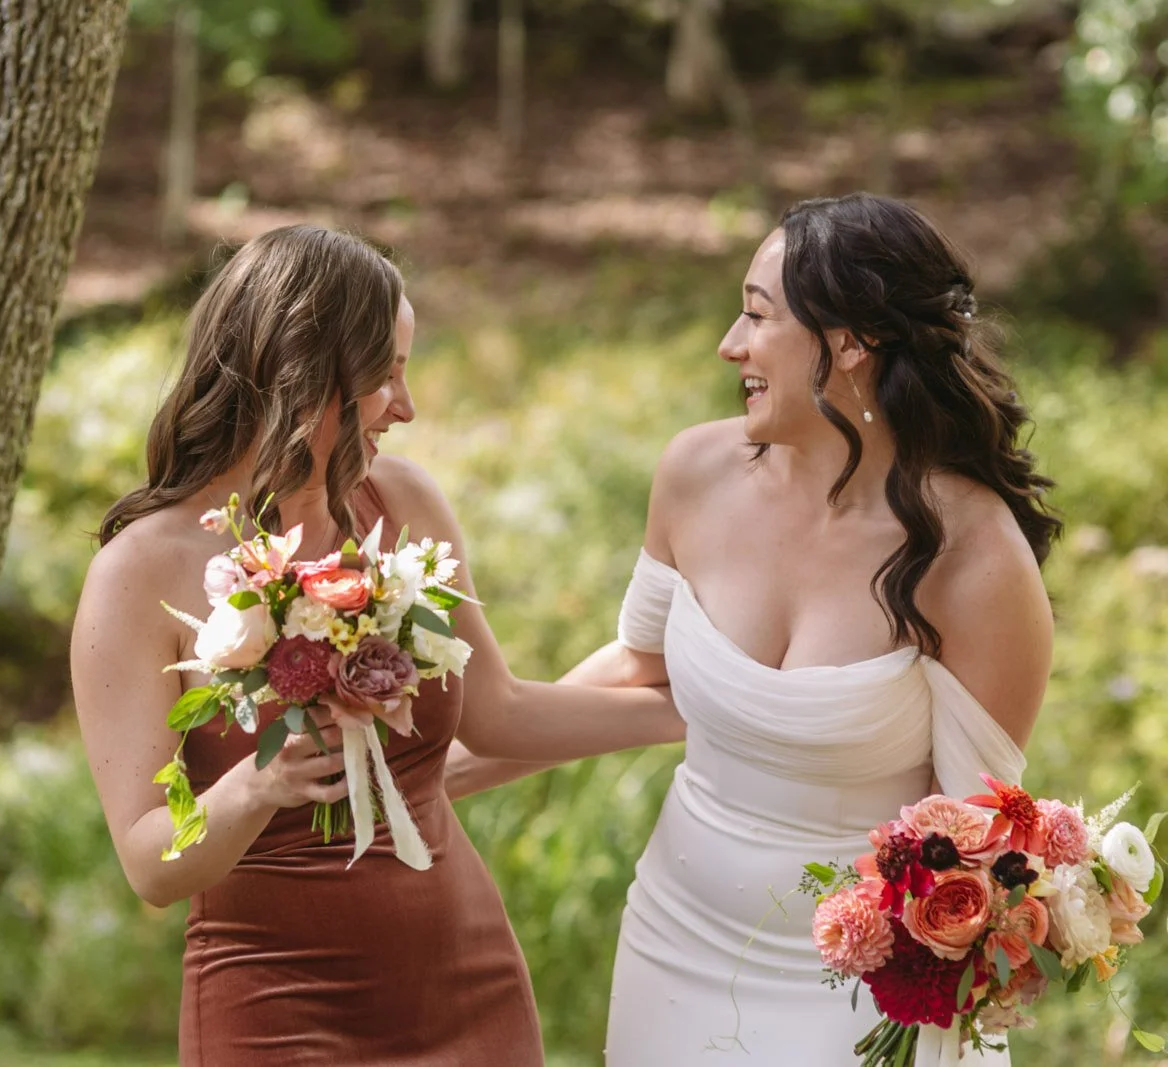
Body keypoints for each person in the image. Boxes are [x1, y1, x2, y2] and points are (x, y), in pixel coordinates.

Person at [449, 193, 1060, 1065]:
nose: (729, 343)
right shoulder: (695, 471)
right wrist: (424, 777)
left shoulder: (975, 556)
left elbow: (978, 839)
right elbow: (641, 670)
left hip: (857, 989)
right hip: (672, 941)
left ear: (851, 343)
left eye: (757, 314)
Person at [69, 224, 685, 1065]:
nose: (408, 403)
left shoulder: (399, 504)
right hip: (273, 1003)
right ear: (308, 371)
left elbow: (500, 713)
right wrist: (260, 784)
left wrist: (690, 710)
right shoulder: (138, 571)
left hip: (466, 988)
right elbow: (150, 862)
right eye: (386, 372)